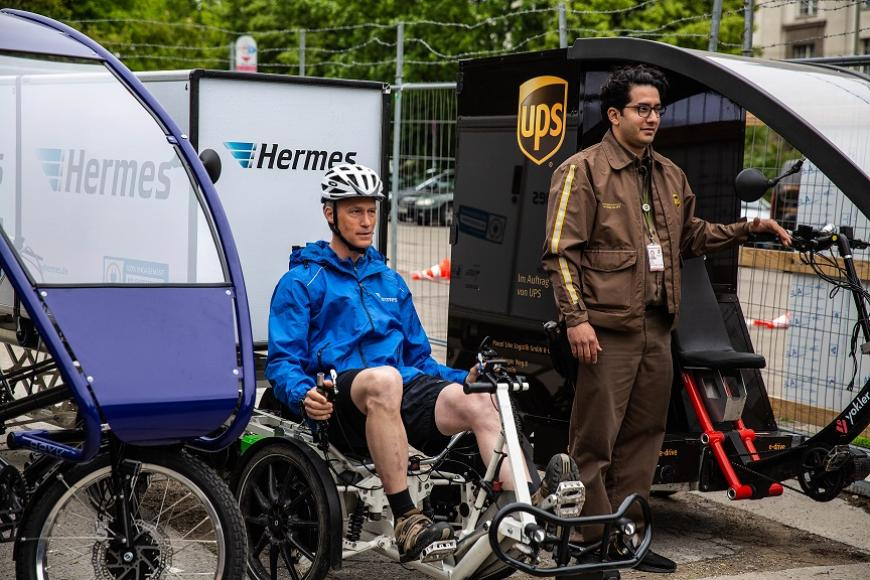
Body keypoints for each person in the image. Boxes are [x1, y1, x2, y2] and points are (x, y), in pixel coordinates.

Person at [541, 65, 791, 574]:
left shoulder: (669, 175)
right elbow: (560, 254)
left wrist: (748, 228)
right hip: (605, 330)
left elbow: (690, 236)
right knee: (595, 441)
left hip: (657, 330)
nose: (653, 117)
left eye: (657, 109)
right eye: (642, 108)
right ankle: (589, 545)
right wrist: (576, 320)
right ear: (615, 115)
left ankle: (625, 537)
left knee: (643, 438)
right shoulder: (582, 171)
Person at [265, 163, 543, 563]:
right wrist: (301, 395)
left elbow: (419, 360)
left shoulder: (390, 282)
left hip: (399, 391)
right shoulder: (302, 282)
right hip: (342, 400)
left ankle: (529, 510)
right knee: (385, 379)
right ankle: (407, 519)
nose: (366, 222)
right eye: (354, 211)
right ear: (331, 214)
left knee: (481, 399)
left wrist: (464, 378)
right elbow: (283, 363)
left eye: (372, 212)